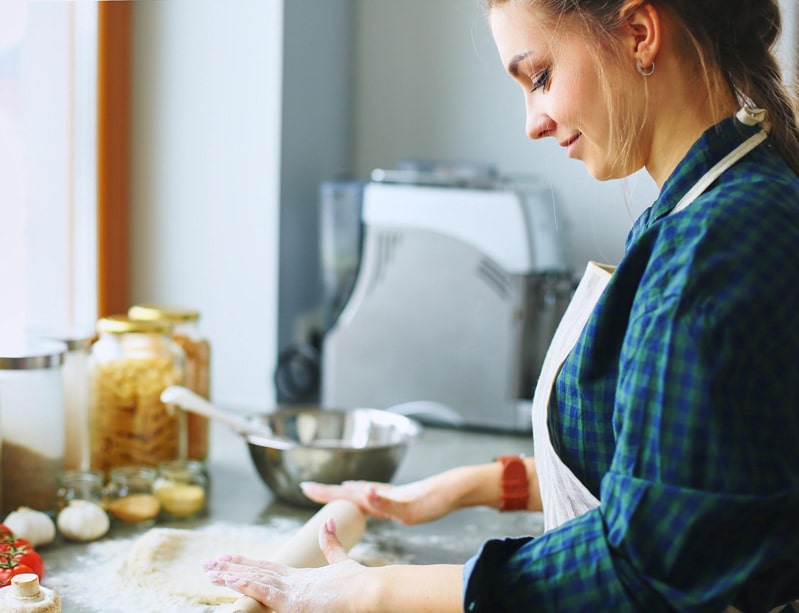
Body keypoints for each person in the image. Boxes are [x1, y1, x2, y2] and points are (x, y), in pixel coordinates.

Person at [204, 0, 799, 610]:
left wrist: (370, 591)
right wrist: (470, 487)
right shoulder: (718, 203)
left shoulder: (710, 250)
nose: (532, 123)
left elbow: (646, 561)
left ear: (640, 34)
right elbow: (687, 472)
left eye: (539, 77)